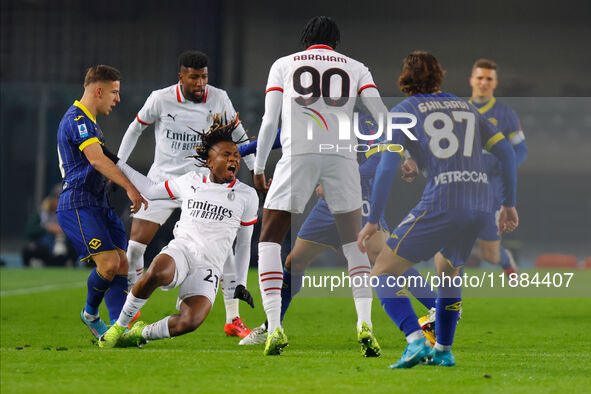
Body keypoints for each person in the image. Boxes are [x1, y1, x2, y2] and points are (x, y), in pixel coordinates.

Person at [357, 51, 519, 368]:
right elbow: (507, 154)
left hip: (444, 199)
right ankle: (443, 350)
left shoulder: (404, 111)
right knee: (447, 269)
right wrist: (509, 205)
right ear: (439, 76)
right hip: (481, 201)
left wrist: (373, 220)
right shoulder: (466, 107)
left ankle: (415, 341)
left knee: (383, 270)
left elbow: (387, 168)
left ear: (404, 79)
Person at [253, 16, 393, 356]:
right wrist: (389, 150)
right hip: (341, 156)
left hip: (298, 153)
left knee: (270, 238)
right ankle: (365, 324)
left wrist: (258, 166)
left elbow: (270, 120)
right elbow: (383, 115)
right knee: (354, 244)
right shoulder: (356, 67)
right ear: (336, 42)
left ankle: (274, 327)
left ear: (306, 40)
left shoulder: (283, 65)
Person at [238, 119, 437, 351]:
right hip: (327, 207)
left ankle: (437, 307)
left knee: (383, 259)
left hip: (359, 199)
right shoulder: (321, 117)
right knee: (295, 261)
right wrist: (240, 149)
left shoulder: (368, 122)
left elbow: (380, 160)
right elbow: (283, 135)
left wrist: (411, 157)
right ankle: (272, 326)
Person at [117, 50, 255, 338]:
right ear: (181, 77)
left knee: (222, 247)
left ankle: (233, 318)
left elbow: (240, 137)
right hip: (164, 181)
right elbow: (134, 129)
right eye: (194, 77)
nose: (200, 82)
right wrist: (119, 166)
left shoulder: (219, 98)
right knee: (136, 245)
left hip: (203, 183)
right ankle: (131, 307)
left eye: (204, 76)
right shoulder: (160, 98)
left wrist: (256, 171)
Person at [98, 115, 258, 348]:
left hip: (209, 267)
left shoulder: (247, 196)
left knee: (190, 322)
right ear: (209, 162)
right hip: (182, 250)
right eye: (226, 155)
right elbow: (151, 190)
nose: (234, 159)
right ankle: (119, 327)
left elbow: (243, 244)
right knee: (157, 271)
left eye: (236, 156)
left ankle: (141, 334)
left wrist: (240, 283)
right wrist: (116, 161)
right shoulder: (190, 181)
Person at [56, 65, 147, 339]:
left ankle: (120, 329)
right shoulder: (77, 120)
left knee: (121, 264)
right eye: (114, 92)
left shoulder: (90, 122)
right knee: (108, 265)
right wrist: (131, 188)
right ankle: (91, 315)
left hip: (99, 204)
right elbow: (97, 160)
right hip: (79, 204)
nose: (117, 99)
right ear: (98, 90)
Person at [468, 59, 527, 276]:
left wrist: (506, 167)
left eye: (488, 79)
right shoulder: (458, 111)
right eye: (480, 78)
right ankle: (448, 301)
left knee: (489, 255)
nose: (483, 82)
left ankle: (504, 259)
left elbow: (520, 149)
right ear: (471, 80)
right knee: (448, 240)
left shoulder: (505, 114)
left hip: (490, 189)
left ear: (495, 83)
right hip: (459, 184)